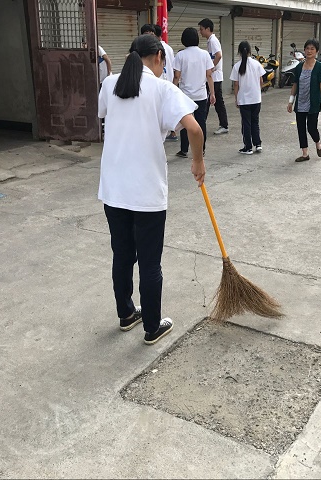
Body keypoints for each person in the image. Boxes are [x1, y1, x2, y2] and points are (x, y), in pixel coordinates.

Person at [97, 34, 205, 345]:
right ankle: (152, 327)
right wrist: (198, 162)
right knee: (149, 262)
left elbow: (104, 115)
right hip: (146, 192)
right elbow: (194, 128)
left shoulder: (110, 84)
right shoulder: (162, 89)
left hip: (114, 189)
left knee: (122, 255)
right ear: (158, 56)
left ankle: (126, 314)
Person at [173, 27, 215, 158]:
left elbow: (177, 76)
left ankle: (184, 150)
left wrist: (172, 92)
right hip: (201, 95)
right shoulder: (204, 54)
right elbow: (209, 75)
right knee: (201, 122)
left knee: (185, 123)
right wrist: (212, 93)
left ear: (184, 39)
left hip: (185, 96)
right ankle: (201, 149)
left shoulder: (180, 55)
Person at [287, 38, 321, 163]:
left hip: (313, 104)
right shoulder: (299, 67)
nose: (309, 51)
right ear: (304, 50)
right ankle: (305, 154)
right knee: (300, 128)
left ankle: (318, 143)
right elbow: (295, 85)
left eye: (312, 49)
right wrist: (291, 101)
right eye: (307, 49)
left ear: (316, 51)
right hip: (300, 103)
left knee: (311, 128)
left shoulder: (320, 67)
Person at [141, 23, 179, 142]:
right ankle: (171, 131)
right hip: (163, 81)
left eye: (151, 34)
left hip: (161, 82)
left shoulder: (158, 49)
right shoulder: (167, 48)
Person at [230, 41, 265, 155]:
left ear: (239, 52)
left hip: (244, 100)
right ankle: (258, 144)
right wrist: (258, 92)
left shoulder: (237, 66)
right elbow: (261, 81)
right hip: (256, 99)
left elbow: (236, 85)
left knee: (246, 124)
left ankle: (248, 147)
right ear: (250, 51)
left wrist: (236, 98)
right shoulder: (256, 64)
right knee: (255, 122)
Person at [198, 18, 229, 135]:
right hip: (215, 76)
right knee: (217, 101)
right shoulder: (210, 40)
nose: (200, 31)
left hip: (215, 77)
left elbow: (219, 55)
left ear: (207, 29)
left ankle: (202, 124)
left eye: (201, 29)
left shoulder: (213, 41)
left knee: (209, 100)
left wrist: (211, 68)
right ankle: (223, 124)